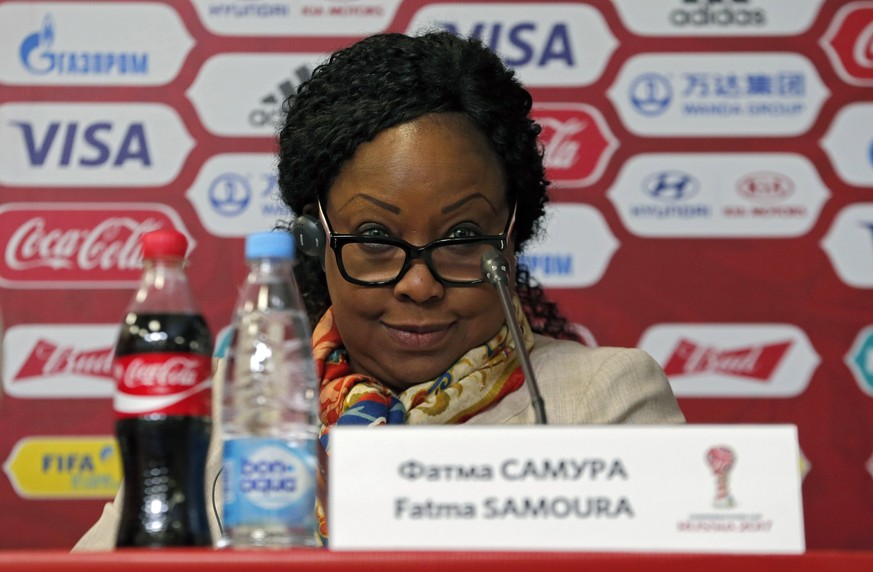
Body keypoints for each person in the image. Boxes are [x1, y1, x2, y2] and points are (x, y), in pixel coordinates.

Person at [74, 30, 683, 551]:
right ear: (316, 237)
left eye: (463, 235)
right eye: (374, 237)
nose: (419, 284)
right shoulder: (224, 413)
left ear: (510, 237)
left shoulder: (601, 404)